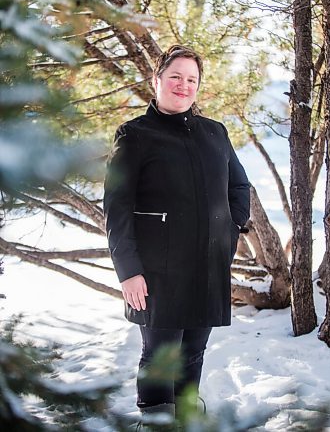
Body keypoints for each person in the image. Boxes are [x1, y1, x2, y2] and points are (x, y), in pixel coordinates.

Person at [103, 45, 250, 423]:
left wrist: (230, 231)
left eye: (191, 79)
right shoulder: (135, 135)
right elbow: (117, 208)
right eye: (175, 77)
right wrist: (128, 271)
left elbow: (239, 186)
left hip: (207, 265)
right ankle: (154, 423)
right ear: (157, 80)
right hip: (156, 271)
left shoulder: (214, 132)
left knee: (194, 350)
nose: (183, 85)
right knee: (159, 352)